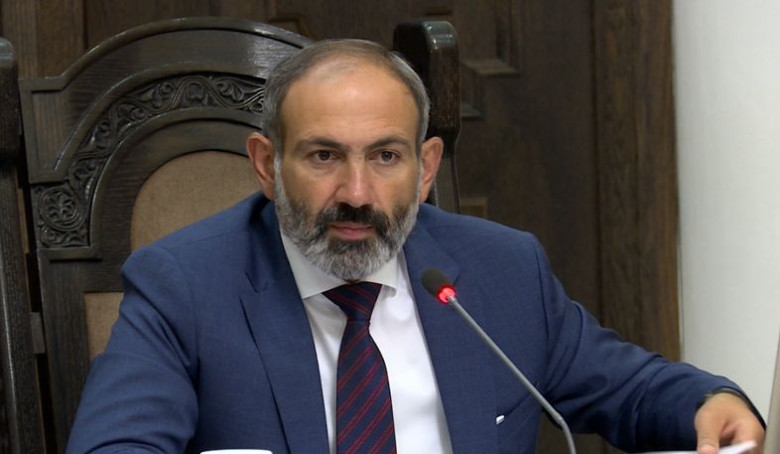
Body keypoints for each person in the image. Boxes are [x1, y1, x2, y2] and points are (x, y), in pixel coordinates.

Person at [66, 39, 765, 454]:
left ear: (426, 168)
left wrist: (709, 403)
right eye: (323, 156)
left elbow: (633, 388)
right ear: (266, 164)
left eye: (386, 156)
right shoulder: (185, 285)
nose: (357, 193)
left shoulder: (501, 269)